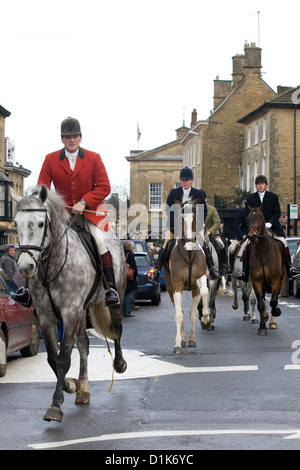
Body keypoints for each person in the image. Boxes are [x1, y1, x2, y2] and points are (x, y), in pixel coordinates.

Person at [37, 116, 119, 306]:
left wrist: (84, 201)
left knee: (99, 241)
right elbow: (43, 188)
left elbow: (104, 187)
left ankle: (110, 289)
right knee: (38, 243)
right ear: (62, 139)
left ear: (80, 137)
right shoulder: (50, 159)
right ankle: (29, 289)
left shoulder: (93, 158)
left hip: (89, 214)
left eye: (74, 136)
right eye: (67, 137)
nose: (71, 140)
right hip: (62, 216)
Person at [151, 166, 219, 281]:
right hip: (176, 228)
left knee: (206, 243)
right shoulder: (174, 193)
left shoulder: (198, 193)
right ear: (180, 180)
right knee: (166, 244)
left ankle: (212, 268)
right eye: (183, 180)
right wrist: (176, 227)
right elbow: (169, 210)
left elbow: (204, 212)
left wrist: (196, 227)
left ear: (191, 180)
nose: (185, 182)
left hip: (194, 228)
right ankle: (157, 270)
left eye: (187, 180)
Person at [236, 175, 299, 281]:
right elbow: (249, 215)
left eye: (262, 183)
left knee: (284, 243)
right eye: (258, 184)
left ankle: (290, 268)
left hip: (272, 227)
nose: (260, 186)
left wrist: (270, 223)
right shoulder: (251, 198)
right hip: (256, 229)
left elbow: (277, 212)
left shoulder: (273, 196)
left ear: (265, 185)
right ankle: (245, 272)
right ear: (256, 186)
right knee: (246, 246)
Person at [203, 193, 228, 276]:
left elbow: (217, 223)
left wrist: (210, 231)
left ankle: (223, 266)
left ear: (206, 199)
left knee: (221, 246)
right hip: (199, 236)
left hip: (213, 235)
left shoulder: (212, 209)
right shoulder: (194, 210)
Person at [227, 202, 249, 275]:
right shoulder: (242, 211)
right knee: (232, 249)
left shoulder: (256, 212)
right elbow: (236, 225)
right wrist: (242, 234)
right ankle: (230, 267)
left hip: (252, 236)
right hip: (241, 236)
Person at [123, 241, 138, 317]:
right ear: (129, 247)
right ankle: (127, 312)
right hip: (129, 277)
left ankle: (123, 311)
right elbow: (133, 266)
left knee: (123, 294)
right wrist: (135, 275)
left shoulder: (121, 253)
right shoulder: (130, 254)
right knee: (128, 295)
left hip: (122, 276)